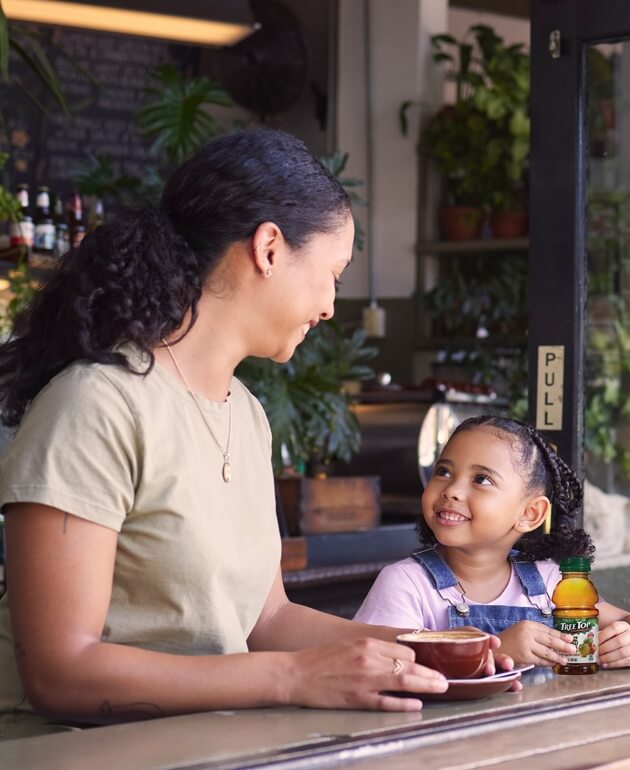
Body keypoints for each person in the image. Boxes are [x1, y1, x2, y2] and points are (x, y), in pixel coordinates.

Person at [0, 128, 520, 740]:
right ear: (269, 249)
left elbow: (266, 618)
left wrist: (428, 649)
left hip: (220, 748)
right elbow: (62, 672)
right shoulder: (96, 405)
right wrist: (293, 678)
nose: (329, 307)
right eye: (332, 273)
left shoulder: (245, 414)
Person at [355, 415, 630, 668]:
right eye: (444, 472)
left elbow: (621, 621)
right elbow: (381, 668)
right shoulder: (406, 583)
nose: (452, 491)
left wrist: (624, 642)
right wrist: (494, 653)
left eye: (481, 479)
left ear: (529, 514)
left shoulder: (551, 582)